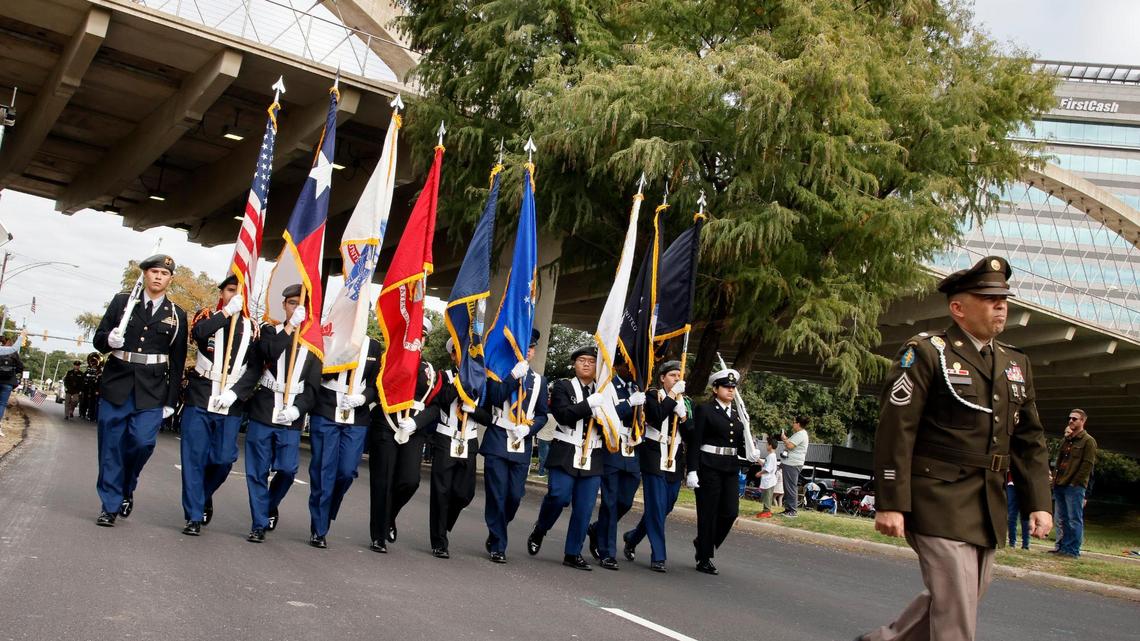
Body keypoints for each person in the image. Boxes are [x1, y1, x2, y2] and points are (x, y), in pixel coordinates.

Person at [858, 256, 1052, 641]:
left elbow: (1030, 440)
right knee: (957, 616)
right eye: (988, 297)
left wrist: (1039, 502)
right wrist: (891, 501)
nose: (1000, 305)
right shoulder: (929, 352)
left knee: (957, 599)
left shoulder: (1016, 363)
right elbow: (897, 429)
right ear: (958, 308)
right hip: (936, 497)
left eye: (1003, 298)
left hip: (986, 504)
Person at [92, 254, 188, 527]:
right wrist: (108, 341)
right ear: (145, 274)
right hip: (117, 383)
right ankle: (110, 505)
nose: (158, 276)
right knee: (111, 447)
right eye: (154, 271)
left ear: (170, 279)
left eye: (164, 273)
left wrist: (171, 399)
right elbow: (98, 339)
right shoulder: (123, 302)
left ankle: (127, 484)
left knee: (142, 442)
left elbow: (178, 361)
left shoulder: (176, 315)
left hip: (152, 389)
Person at [235, 284, 320, 543]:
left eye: (301, 304)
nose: (296, 308)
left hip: (291, 414)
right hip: (264, 408)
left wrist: (298, 409)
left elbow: (314, 387)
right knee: (257, 471)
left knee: (287, 470)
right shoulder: (271, 330)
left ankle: (268, 505)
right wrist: (290, 327)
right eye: (292, 303)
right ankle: (259, 522)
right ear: (284, 305)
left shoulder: (314, 342)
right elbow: (269, 352)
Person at [177, 274, 253, 536]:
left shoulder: (252, 326)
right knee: (194, 456)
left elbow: (254, 368)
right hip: (201, 393)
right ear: (222, 292)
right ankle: (194, 515)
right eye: (230, 290)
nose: (235, 295)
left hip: (230, 400)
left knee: (223, 458)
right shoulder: (206, 315)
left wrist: (237, 393)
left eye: (239, 291)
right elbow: (198, 334)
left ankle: (202, 494)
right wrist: (225, 315)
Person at [527, 346, 607, 570]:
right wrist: (588, 405)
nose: (587, 364)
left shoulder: (603, 391)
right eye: (582, 360)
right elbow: (562, 415)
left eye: (591, 361)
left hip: (593, 453)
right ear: (574, 364)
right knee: (559, 496)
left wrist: (609, 413)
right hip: (567, 449)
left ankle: (573, 552)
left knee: (584, 507)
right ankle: (540, 528)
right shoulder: (564, 386)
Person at [367, 317, 438, 554]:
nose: (418, 340)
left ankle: (390, 516)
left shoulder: (429, 370)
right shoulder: (387, 361)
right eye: (414, 335)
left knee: (410, 480)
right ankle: (378, 535)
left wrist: (416, 422)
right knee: (382, 481)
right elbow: (374, 391)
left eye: (422, 336)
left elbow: (434, 406)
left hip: (412, 428)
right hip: (386, 424)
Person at [417, 339, 491, 558]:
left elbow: (488, 417)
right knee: (441, 492)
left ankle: (444, 524)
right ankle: (439, 541)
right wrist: (461, 382)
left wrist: (474, 408)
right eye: (461, 352)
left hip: (468, 440)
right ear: (453, 355)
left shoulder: (482, 381)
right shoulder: (444, 377)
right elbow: (441, 400)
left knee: (464, 493)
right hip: (445, 438)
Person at [480, 329, 548, 564]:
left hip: (521, 440)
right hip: (499, 437)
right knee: (497, 495)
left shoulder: (539, 380)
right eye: (524, 346)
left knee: (514, 497)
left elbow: (542, 415)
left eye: (531, 347)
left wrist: (529, 429)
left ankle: (497, 528)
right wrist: (511, 377)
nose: (528, 351)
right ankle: (498, 544)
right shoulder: (498, 372)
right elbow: (494, 399)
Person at [306, 336, 380, 549]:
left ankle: (326, 510)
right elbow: (318, 372)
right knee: (323, 469)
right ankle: (319, 529)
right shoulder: (331, 338)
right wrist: (345, 352)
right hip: (327, 409)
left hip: (356, 415)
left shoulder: (374, 346)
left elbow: (376, 384)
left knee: (346, 471)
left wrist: (364, 398)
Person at [687, 368, 759, 575]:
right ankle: (704, 557)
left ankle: (703, 542)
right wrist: (692, 470)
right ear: (715, 388)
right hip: (708, 466)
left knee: (730, 512)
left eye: (733, 387)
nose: (731, 390)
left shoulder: (738, 416)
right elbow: (695, 442)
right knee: (708, 513)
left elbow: (738, 444)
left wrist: (751, 453)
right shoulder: (705, 410)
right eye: (726, 387)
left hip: (729, 467)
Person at [622, 360, 690, 572]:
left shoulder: (685, 401)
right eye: (672, 375)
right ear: (662, 378)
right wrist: (671, 398)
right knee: (657, 506)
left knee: (665, 506)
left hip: (674, 458)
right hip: (653, 455)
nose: (677, 379)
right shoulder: (653, 395)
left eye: (680, 376)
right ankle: (658, 555)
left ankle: (632, 538)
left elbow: (692, 434)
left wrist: (684, 415)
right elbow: (656, 416)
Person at [588, 360, 644, 570]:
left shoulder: (639, 387)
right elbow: (607, 415)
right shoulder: (609, 385)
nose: (634, 369)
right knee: (610, 503)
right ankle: (607, 552)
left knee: (626, 502)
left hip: (632, 449)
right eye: (630, 364)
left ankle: (596, 529)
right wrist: (630, 403)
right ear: (620, 365)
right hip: (613, 446)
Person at [1050, 409, 1097, 559]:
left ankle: (1073, 550)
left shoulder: (1088, 441)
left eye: (1075, 419)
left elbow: (1087, 465)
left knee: (1074, 519)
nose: (1071, 421)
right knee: (1061, 518)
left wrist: (1076, 482)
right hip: (1060, 484)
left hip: (1074, 486)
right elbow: (1059, 461)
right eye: (1070, 418)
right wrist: (1055, 480)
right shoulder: (1066, 440)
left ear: (1083, 421)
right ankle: (1062, 548)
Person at [779, 415, 810, 517]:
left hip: (793, 463)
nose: (793, 424)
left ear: (798, 424)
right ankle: (788, 509)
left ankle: (792, 510)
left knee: (791, 487)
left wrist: (784, 439)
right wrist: (787, 440)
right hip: (790, 463)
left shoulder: (801, 434)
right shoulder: (799, 434)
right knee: (787, 487)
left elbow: (790, 446)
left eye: (794, 422)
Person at [0, 335, 24, 432]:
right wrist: (22, 336)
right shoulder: (13, 353)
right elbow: (20, 367)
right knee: (2, 404)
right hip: (8, 382)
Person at [754, 436, 780, 518]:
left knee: (768, 496)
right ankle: (765, 510)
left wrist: (760, 473)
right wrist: (757, 459)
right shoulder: (770, 456)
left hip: (769, 480)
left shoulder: (772, 456)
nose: (766, 446)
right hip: (767, 480)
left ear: (770, 446)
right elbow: (764, 465)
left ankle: (767, 511)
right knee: (765, 496)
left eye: (767, 444)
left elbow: (768, 469)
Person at [1005, 472, 1029, 550]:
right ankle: (1012, 543)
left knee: (1025, 516)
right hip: (1012, 484)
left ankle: (1025, 544)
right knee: (1012, 515)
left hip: (1026, 484)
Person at [80, 352, 102, 421]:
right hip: (86, 389)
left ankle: (91, 415)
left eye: (95, 364)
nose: (93, 365)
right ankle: (82, 413)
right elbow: (83, 380)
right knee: (84, 401)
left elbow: (98, 381)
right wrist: (82, 389)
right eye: (92, 364)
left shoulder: (98, 372)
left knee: (92, 403)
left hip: (93, 390)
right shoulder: (87, 372)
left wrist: (97, 390)